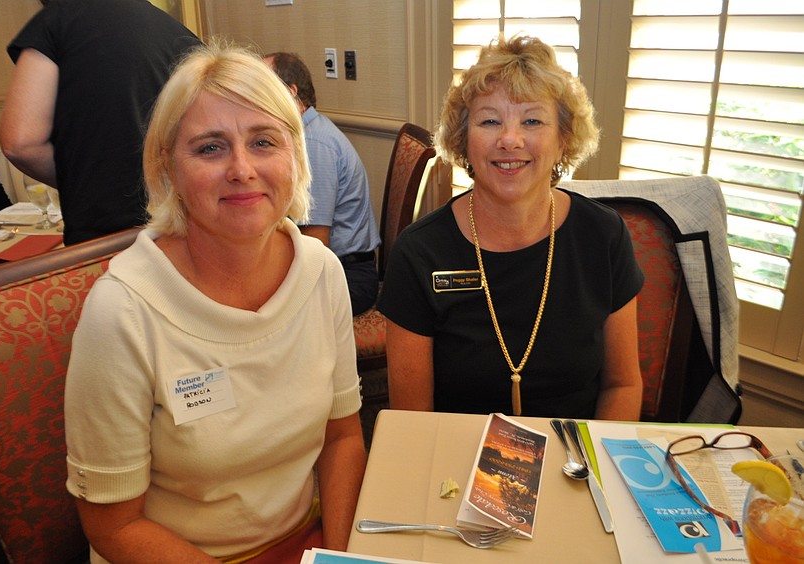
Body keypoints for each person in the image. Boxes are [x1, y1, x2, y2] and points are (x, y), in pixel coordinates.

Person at [63, 44, 366, 563]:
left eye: (263, 142)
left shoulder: (321, 271)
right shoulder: (123, 311)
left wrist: (340, 558)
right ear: (167, 166)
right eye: (210, 148)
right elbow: (114, 527)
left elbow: (341, 439)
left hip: (302, 540)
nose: (242, 169)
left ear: (295, 154)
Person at [377, 35, 645, 420]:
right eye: (490, 121)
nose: (509, 140)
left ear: (563, 139)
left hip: (578, 451)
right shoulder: (419, 253)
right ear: (463, 140)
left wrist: (592, 458)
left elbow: (623, 385)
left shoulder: (603, 236)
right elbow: (413, 420)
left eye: (532, 120)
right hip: (457, 454)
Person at [0, 0, 201, 246]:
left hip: (106, 232)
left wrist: (82, 181)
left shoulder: (58, 21)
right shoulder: (180, 33)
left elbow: (21, 144)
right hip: (183, 226)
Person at [264, 52, 381, 315]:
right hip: (336, 266)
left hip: (349, 276)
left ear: (290, 93)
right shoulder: (304, 135)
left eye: (264, 88)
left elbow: (315, 243)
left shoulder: (313, 144)